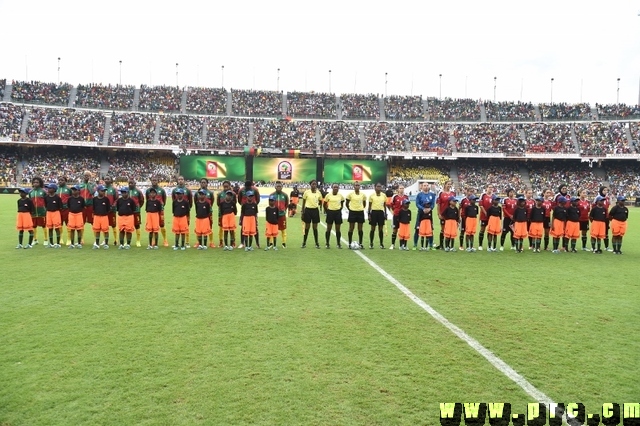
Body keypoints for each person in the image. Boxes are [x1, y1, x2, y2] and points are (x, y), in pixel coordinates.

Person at [145, 177, 169, 247]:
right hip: (152, 211)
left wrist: (161, 206)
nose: (154, 181)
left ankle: (165, 240)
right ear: (151, 181)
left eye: (155, 180)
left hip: (160, 210)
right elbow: (147, 199)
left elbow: (164, 200)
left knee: (162, 225)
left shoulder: (161, 190)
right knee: (152, 226)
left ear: (158, 181)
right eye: (152, 180)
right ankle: (152, 241)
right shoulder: (148, 190)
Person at [238, 180, 261, 248]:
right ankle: (242, 243)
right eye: (246, 186)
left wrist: (253, 205)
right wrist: (244, 205)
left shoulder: (255, 190)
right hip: (244, 210)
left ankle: (257, 243)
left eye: (249, 186)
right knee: (243, 227)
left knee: (255, 227)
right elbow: (239, 199)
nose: (247, 188)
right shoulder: (241, 190)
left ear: (251, 186)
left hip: (252, 210)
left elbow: (258, 199)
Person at [413, 182, 436, 250]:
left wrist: (430, 209)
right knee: (417, 229)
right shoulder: (419, 195)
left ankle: (431, 245)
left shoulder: (432, 195)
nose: (426, 187)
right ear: (422, 187)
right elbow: (417, 204)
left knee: (430, 229)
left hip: (429, 214)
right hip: (421, 213)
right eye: (424, 185)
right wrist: (423, 209)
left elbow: (433, 204)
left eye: (427, 185)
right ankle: (415, 245)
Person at [173, 176, 193, 248]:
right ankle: (177, 243)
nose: (180, 181)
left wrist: (187, 209)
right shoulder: (175, 190)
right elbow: (174, 200)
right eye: (179, 179)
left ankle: (187, 242)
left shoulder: (187, 190)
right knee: (178, 228)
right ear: (177, 181)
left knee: (186, 226)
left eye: (182, 179)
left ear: (184, 180)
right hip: (177, 211)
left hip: (185, 212)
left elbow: (190, 201)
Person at [301, 180, 323, 248]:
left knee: (315, 227)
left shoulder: (319, 193)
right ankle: (304, 243)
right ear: (310, 185)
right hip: (308, 210)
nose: (314, 185)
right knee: (307, 227)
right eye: (313, 184)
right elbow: (303, 202)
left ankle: (316, 243)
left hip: (315, 211)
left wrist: (318, 205)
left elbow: (320, 201)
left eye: (315, 184)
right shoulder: (306, 192)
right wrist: (302, 212)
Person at [346, 182, 367, 249]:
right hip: (352, 212)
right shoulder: (350, 194)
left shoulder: (363, 195)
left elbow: (364, 203)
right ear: (353, 186)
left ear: (360, 186)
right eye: (356, 185)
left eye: (358, 185)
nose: (357, 186)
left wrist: (360, 208)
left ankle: (360, 243)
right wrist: (350, 209)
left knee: (360, 228)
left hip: (360, 212)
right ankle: (349, 243)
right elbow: (347, 203)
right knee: (351, 228)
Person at [368, 182, 389, 249]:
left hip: (381, 213)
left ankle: (381, 244)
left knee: (380, 229)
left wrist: (385, 214)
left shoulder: (384, 195)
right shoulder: (372, 196)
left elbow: (385, 206)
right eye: (378, 186)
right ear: (375, 187)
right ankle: (371, 243)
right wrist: (369, 214)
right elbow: (369, 206)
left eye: (380, 186)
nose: (379, 188)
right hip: (374, 212)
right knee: (372, 229)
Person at [323, 183, 345, 249]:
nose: (336, 188)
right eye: (334, 187)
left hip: (338, 213)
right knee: (328, 229)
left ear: (338, 188)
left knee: (338, 229)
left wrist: (339, 210)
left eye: (337, 187)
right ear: (332, 188)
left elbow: (342, 203)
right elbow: (324, 204)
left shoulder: (340, 196)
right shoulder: (328, 195)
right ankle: (327, 243)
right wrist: (327, 211)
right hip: (330, 212)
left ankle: (338, 243)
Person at [436, 180, 456, 250]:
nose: (449, 186)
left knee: (450, 230)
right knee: (443, 229)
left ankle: (448, 245)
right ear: (445, 185)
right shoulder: (441, 193)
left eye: (450, 184)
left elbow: (454, 203)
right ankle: (441, 245)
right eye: (448, 184)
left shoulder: (453, 193)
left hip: (450, 214)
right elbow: (438, 204)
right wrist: (438, 213)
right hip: (443, 214)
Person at [270, 181, 289, 248]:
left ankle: (283, 243)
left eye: (280, 186)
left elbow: (286, 204)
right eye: (277, 186)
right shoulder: (272, 195)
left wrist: (283, 210)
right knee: (272, 229)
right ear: (275, 187)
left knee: (283, 229)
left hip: (282, 215)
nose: (279, 187)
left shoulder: (285, 195)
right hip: (274, 215)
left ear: (282, 187)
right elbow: (270, 204)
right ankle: (271, 243)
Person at [197, 178, 216, 248]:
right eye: (202, 182)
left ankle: (211, 242)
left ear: (207, 184)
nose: (203, 184)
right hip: (200, 213)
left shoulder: (210, 193)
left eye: (204, 182)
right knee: (199, 228)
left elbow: (212, 201)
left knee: (209, 227)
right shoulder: (197, 193)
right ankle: (198, 242)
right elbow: (196, 203)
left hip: (208, 213)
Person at [217, 182, 236, 248]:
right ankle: (221, 242)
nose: (225, 187)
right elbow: (218, 204)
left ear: (229, 186)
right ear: (223, 186)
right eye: (224, 186)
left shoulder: (233, 194)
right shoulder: (220, 194)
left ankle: (233, 242)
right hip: (222, 214)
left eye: (227, 186)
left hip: (230, 214)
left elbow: (234, 204)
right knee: (221, 228)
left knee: (232, 229)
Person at [389, 185, 409, 250]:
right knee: (394, 230)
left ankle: (403, 245)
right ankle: (392, 244)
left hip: (403, 216)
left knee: (403, 231)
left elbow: (407, 205)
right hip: (396, 215)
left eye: (403, 188)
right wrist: (393, 211)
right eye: (400, 188)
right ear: (398, 189)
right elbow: (391, 205)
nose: (402, 189)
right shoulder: (395, 197)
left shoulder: (406, 197)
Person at [29, 177, 46, 246]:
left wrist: (45, 209)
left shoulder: (43, 191)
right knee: (33, 226)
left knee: (44, 225)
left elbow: (46, 201)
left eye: (37, 182)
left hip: (42, 212)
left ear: (40, 183)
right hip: (33, 212)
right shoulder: (31, 192)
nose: (35, 184)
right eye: (34, 182)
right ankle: (35, 239)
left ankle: (46, 239)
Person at [128, 178, 145, 247]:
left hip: (136, 211)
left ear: (135, 184)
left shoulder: (138, 191)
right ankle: (128, 241)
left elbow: (142, 201)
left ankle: (138, 241)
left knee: (137, 225)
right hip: (128, 211)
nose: (130, 184)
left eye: (132, 183)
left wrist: (137, 207)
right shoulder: (126, 190)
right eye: (129, 183)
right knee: (128, 226)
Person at [79, 171, 95, 244]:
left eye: (88, 176)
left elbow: (92, 192)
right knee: (81, 223)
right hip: (82, 207)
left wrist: (88, 183)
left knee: (93, 222)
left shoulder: (93, 184)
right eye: (85, 175)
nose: (86, 177)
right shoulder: (80, 185)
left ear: (90, 177)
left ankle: (96, 239)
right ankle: (81, 239)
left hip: (90, 206)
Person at [44, 183, 62, 248]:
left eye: (50, 188)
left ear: (54, 189)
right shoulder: (46, 197)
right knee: (50, 228)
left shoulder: (57, 198)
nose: (48, 189)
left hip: (56, 213)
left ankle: (58, 243)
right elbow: (46, 205)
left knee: (57, 228)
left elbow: (60, 206)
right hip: (49, 213)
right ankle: (51, 243)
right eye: (48, 188)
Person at [478, 184, 495, 251]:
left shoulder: (494, 196)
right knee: (482, 230)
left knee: (490, 231)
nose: (490, 188)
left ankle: (489, 246)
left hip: (491, 217)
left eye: (492, 187)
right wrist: (485, 213)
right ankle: (480, 245)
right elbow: (481, 205)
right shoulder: (483, 195)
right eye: (489, 187)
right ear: (486, 188)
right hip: (483, 216)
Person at [594, 186, 612, 252]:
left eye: (606, 190)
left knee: (606, 232)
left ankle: (606, 247)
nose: (605, 191)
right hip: (598, 218)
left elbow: (608, 207)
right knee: (596, 233)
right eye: (604, 190)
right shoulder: (597, 198)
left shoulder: (607, 198)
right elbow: (593, 206)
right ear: (601, 190)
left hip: (605, 217)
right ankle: (595, 247)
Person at [103, 176, 119, 245]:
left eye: (108, 179)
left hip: (112, 210)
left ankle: (116, 240)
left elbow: (117, 199)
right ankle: (105, 240)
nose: (106, 180)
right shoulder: (102, 189)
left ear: (111, 180)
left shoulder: (113, 189)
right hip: (104, 211)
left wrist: (113, 205)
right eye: (105, 179)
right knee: (104, 226)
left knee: (113, 225)